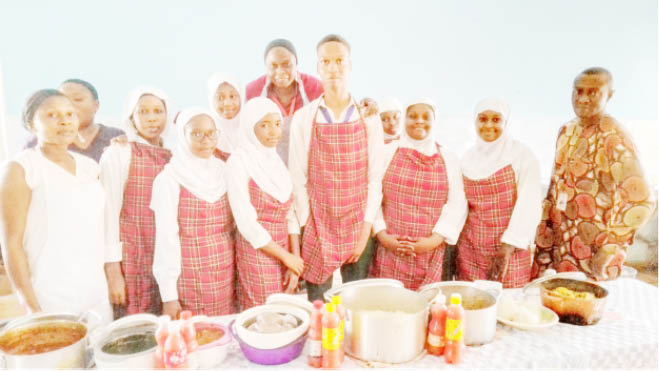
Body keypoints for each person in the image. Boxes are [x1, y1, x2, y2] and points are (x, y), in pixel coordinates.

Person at [0, 89, 112, 322]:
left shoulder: (90, 167)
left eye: (70, 114)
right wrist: (31, 307)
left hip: (95, 293)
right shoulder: (22, 167)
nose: (64, 121)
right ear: (32, 123)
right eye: (52, 115)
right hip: (49, 296)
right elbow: (11, 243)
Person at [533, 68, 655, 280]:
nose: (583, 99)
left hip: (595, 254)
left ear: (609, 95)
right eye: (578, 91)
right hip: (559, 249)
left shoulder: (614, 136)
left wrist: (610, 247)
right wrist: (544, 242)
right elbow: (555, 189)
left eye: (593, 92)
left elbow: (642, 201)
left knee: (593, 310)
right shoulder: (566, 131)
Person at [289, 34, 384, 301]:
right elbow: (298, 176)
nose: (333, 67)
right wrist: (309, 223)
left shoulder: (368, 117)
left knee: (358, 303)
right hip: (319, 225)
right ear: (317, 67)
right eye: (326, 61)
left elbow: (375, 177)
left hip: (358, 223)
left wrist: (365, 230)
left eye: (339, 60)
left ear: (350, 65)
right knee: (319, 305)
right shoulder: (304, 118)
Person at [371, 98, 467, 290]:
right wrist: (382, 234)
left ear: (435, 121)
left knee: (427, 310)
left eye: (425, 117)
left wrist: (433, 240)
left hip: (430, 252)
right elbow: (372, 194)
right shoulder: (387, 152)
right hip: (389, 250)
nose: (419, 121)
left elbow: (457, 203)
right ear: (404, 120)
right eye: (413, 116)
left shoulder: (449, 158)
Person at [152, 108, 235, 318]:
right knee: (194, 336)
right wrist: (169, 296)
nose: (206, 140)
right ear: (182, 136)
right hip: (190, 275)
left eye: (211, 133)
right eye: (196, 134)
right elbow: (166, 239)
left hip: (225, 270)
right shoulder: (169, 179)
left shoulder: (223, 170)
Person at [101, 87, 173, 317]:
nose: (152, 118)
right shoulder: (119, 152)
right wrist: (113, 270)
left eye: (158, 111)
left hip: (167, 255)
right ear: (132, 117)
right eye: (143, 112)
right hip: (133, 254)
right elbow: (108, 212)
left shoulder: (175, 153)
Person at [227, 98, 304, 309]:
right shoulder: (239, 161)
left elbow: (290, 214)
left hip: (284, 251)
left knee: (284, 311)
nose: (273, 132)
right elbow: (246, 224)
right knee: (265, 312)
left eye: (277, 124)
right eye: (264, 125)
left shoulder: (276, 161)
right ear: (250, 128)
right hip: (257, 252)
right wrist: (286, 256)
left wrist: (295, 261)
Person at [457, 98, 542, 288]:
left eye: (496, 120)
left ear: (507, 123)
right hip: (470, 250)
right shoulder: (467, 158)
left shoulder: (521, 155)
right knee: (472, 305)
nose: (488, 125)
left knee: (508, 308)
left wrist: (508, 246)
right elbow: (461, 207)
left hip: (508, 250)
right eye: (482, 119)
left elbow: (530, 203)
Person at [245, 38, 324, 164]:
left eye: (286, 64)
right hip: (267, 165)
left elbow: (337, 111)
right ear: (266, 66)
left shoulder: (315, 87)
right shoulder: (252, 91)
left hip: (307, 164)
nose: (280, 71)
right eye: (273, 66)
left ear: (296, 63)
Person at [23, 79, 124, 162]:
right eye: (63, 100)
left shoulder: (116, 136)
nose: (69, 105)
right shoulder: (35, 143)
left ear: (96, 105)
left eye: (78, 99)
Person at [207, 74, 243, 160]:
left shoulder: (252, 129)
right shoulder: (205, 134)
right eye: (220, 98)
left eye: (232, 96)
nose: (227, 103)